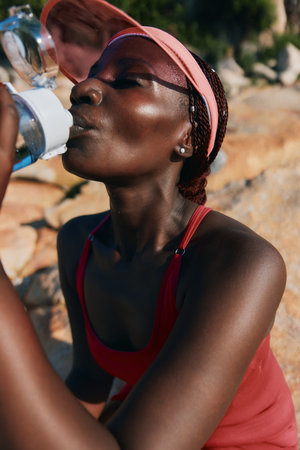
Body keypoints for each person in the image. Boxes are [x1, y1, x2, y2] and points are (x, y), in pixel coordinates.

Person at [0, 0, 297, 448]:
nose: (84, 90)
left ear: (187, 138)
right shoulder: (79, 243)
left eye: (129, 80)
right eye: (91, 75)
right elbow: (88, 382)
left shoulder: (239, 265)